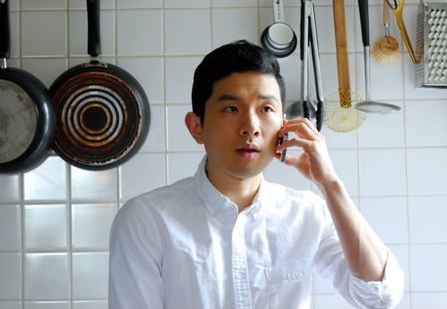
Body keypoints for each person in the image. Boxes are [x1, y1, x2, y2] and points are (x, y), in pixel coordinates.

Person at [108, 40, 404, 309]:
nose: (251, 127)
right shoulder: (146, 219)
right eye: (231, 108)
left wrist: (330, 183)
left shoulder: (307, 213)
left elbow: (378, 296)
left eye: (265, 108)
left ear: (284, 126)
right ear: (196, 126)